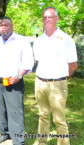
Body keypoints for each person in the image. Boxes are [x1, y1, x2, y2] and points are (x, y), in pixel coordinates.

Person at [33, 7, 78, 145]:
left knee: (59, 120)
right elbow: (38, 61)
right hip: (40, 83)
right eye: (44, 17)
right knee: (43, 116)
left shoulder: (65, 39)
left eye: (50, 17)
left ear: (57, 19)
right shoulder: (38, 40)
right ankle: (42, 142)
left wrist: (62, 78)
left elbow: (73, 65)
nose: (47, 20)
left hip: (57, 84)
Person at [0, 17, 34, 145]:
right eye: (1, 25)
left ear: (12, 26)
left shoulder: (21, 41)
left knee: (15, 110)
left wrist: (19, 76)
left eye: (6, 25)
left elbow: (28, 61)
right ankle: (4, 133)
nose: (3, 27)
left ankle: (18, 139)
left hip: (14, 80)